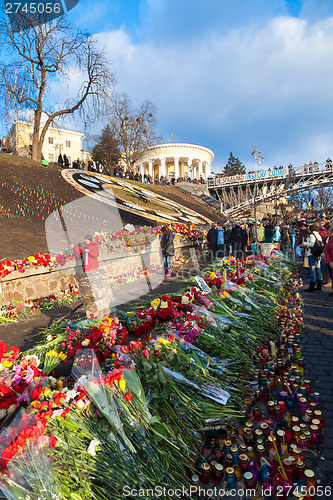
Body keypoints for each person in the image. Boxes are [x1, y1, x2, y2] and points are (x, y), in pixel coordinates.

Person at [302, 223, 323, 292]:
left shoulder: (312, 235)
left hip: (312, 253)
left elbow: (312, 244)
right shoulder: (318, 235)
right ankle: (319, 285)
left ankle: (312, 286)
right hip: (318, 253)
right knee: (318, 269)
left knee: (312, 270)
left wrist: (304, 243)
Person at [325, 217, 333, 294]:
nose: (329, 224)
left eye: (331, 222)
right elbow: (327, 250)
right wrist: (329, 262)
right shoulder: (331, 237)